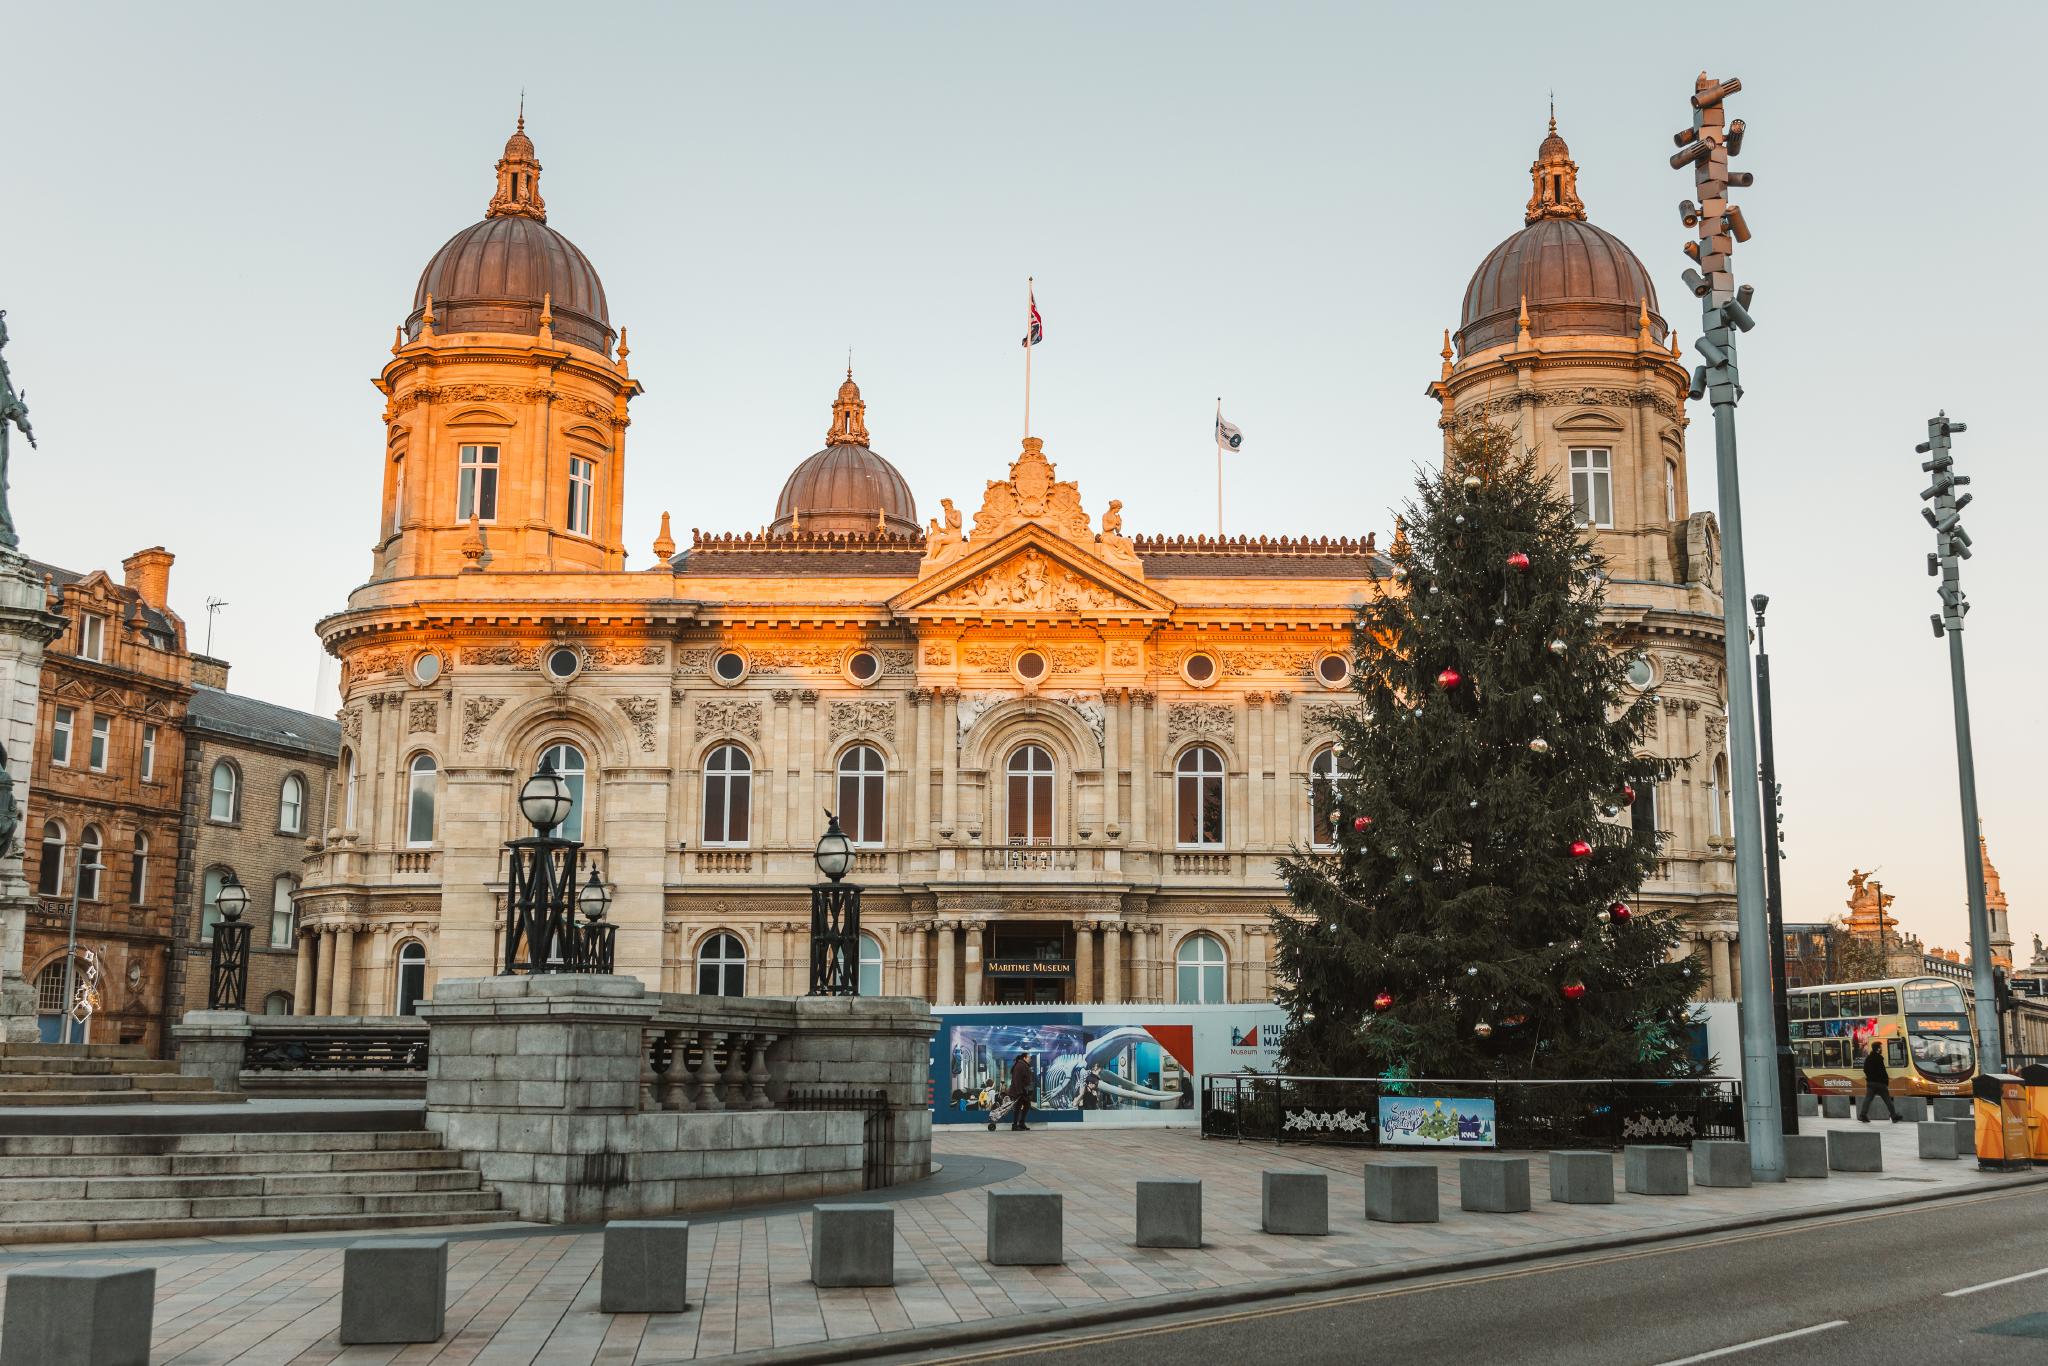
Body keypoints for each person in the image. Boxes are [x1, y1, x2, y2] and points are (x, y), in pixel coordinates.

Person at [1859, 1041, 1902, 1123]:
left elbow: (1865, 1069)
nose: (1881, 1049)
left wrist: (1870, 1077)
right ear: (1878, 1049)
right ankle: (1894, 1116)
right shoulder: (1879, 1058)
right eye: (1881, 1047)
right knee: (1887, 1100)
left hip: (1870, 1083)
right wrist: (1886, 1081)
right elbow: (1883, 1071)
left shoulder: (1868, 1058)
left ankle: (1862, 1115)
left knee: (1868, 1099)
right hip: (1880, 1083)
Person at [1009, 1052, 1035, 1131]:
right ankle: (1015, 1125)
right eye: (1029, 1057)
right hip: (1019, 1091)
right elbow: (1017, 1080)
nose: (1030, 1059)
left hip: (1023, 1091)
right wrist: (1019, 1091)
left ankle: (1021, 1123)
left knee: (1027, 1105)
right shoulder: (1020, 1066)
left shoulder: (1023, 1065)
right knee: (1018, 1107)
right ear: (1024, 1058)